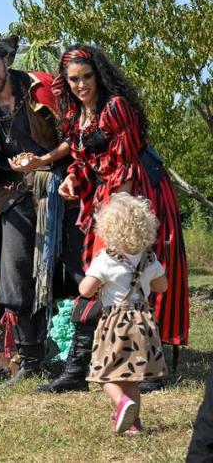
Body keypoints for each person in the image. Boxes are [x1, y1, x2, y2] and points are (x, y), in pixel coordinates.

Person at [0, 35, 80, 381]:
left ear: (5, 62)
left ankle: (85, 355)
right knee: (14, 272)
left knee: (80, 270)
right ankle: (31, 359)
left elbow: (76, 137)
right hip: (14, 196)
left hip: (61, 188)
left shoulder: (39, 88)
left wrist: (43, 160)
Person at [55, 46, 189, 371]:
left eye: (87, 77)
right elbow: (83, 160)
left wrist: (119, 215)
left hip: (139, 194)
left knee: (139, 268)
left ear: (98, 75)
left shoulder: (116, 108)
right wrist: (72, 178)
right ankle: (80, 365)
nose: (81, 85)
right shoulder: (75, 115)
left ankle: (149, 366)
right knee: (100, 272)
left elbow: (126, 162)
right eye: (73, 79)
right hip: (108, 194)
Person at [80, 192, 168, 434]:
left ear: (108, 228)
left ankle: (121, 403)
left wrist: (94, 280)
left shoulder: (106, 260)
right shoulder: (150, 258)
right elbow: (163, 286)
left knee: (103, 373)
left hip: (116, 322)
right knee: (132, 378)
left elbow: (85, 290)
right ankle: (133, 425)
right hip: (142, 322)